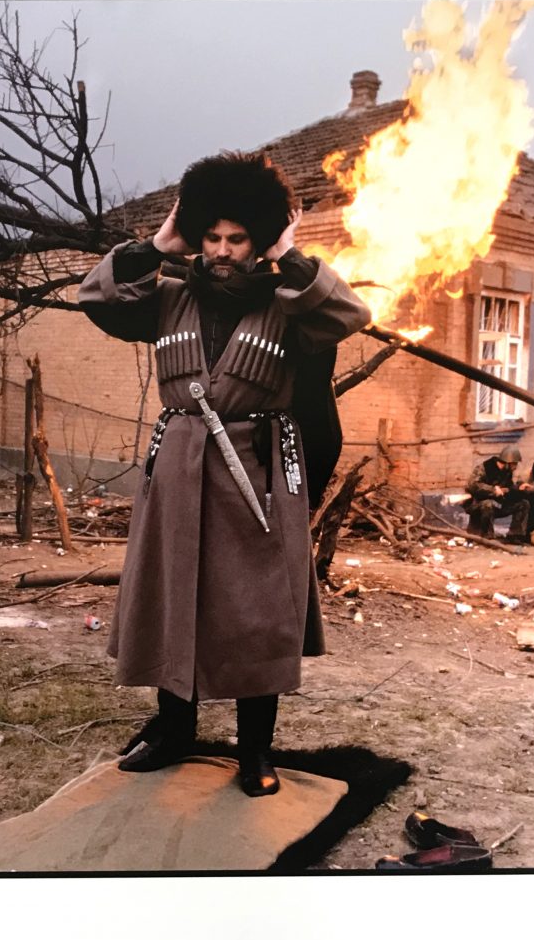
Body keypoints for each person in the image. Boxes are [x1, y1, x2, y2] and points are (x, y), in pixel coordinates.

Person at [77, 151, 372, 797]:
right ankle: (173, 729)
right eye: (211, 236)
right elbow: (95, 298)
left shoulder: (286, 301)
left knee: (257, 612)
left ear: (257, 241)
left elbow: (349, 315)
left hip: (258, 470)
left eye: (237, 239)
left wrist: (289, 253)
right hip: (178, 469)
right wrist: (159, 243)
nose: (221, 250)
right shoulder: (169, 296)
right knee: (172, 595)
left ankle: (256, 750)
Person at [463, 445, 530, 543]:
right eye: (514, 464)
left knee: (523, 504)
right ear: (507, 463)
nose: (515, 467)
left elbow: (508, 489)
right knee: (488, 504)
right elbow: (472, 485)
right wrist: (493, 490)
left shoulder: (507, 471)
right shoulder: (484, 468)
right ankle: (488, 536)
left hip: (499, 504)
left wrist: (518, 488)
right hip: (478, 504)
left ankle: (515, 535)